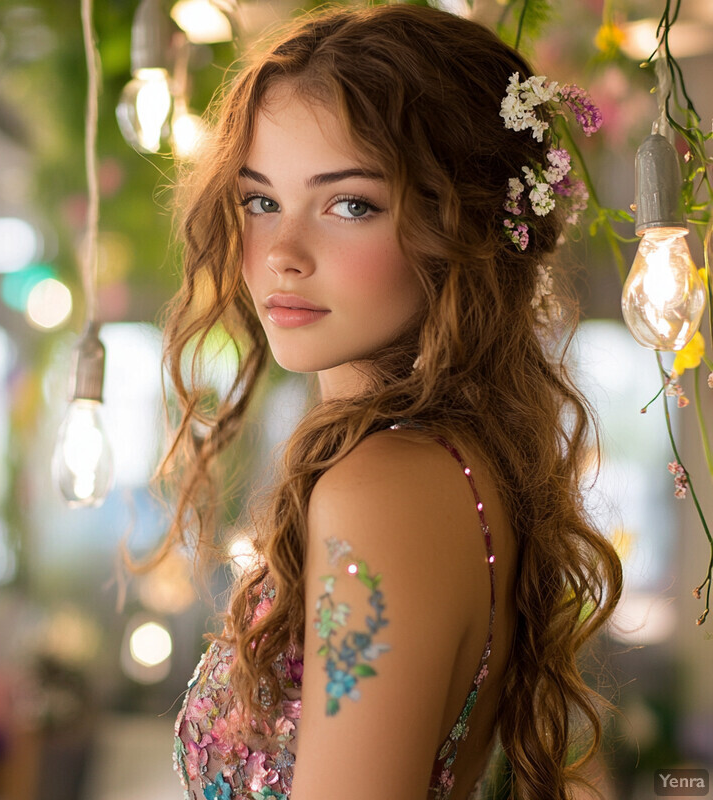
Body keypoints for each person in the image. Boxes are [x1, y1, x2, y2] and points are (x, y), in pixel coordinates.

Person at [146, 5, 623, 799]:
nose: (282, 254)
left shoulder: (386, 489)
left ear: (458, 226)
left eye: (351, 204)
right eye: (261, 200)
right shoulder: (441, 469)